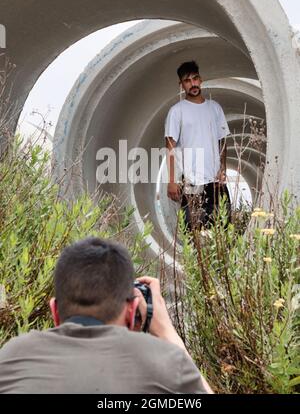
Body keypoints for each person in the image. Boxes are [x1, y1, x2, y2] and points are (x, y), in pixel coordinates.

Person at [0, 237, 212, 394]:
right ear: (131, 312)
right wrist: (166, 331)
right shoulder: (167, 364)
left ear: (55, 311)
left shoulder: (11, 358)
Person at [165, 60, 231, 231]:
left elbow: (222, 140)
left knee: (224, 231)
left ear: (200, 80)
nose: (192, 84)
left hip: (216, 182)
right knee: (192, 232)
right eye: (187, 81)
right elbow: (170, 146)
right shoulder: (176, 111)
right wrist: (171, 181)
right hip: (191, 183)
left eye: (195, 79)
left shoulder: (214, 108)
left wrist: (222, 168)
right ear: (181, 85)